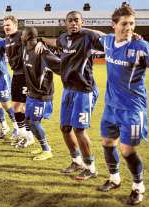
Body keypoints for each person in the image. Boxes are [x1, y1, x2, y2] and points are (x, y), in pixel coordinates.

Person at [95, 5, 149, 205]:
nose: (128, 27)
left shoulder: (141, 47)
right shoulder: (108, 41)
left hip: (132, 109)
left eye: (132, 23)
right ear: (114, 25)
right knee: (107, 143)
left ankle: (138, 186)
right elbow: (94, 34)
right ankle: (114, 178)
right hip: (111, 106)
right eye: (124, 24)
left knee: (127, 150)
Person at [37, 11, 102, 180]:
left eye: (77, 21)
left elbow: (107, 38)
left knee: (79, 129)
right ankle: (76, 161)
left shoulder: (88, 37)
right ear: (65, 23)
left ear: (82, 22)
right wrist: (42, 40)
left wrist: (87, 29)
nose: (73, 23)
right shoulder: (64, 38)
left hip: (84, 90)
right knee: (65, 127)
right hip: (68, 90)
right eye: (70, 21)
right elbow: (55, 42)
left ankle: (91, 167)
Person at [22, 27, 61, 160]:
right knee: (28, 120)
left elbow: (60, 66)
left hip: (42, 95)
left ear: (27, 36)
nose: (21, 36)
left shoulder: (42, 52)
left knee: (34, 123)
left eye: (23, 34)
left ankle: (47, 150)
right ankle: (42, 145)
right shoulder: (26, 49)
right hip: (31, 94)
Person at [3, 15, 35, 146]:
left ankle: (30, 136)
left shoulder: (22, 36)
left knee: (24, 107)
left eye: (8, 25)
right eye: (4, 25)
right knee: (15, 106)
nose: (6, 27)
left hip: (25, 75)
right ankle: (24, 135)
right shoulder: (6, 39)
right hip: (16, 75)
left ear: (15, 25)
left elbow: (33, 44)